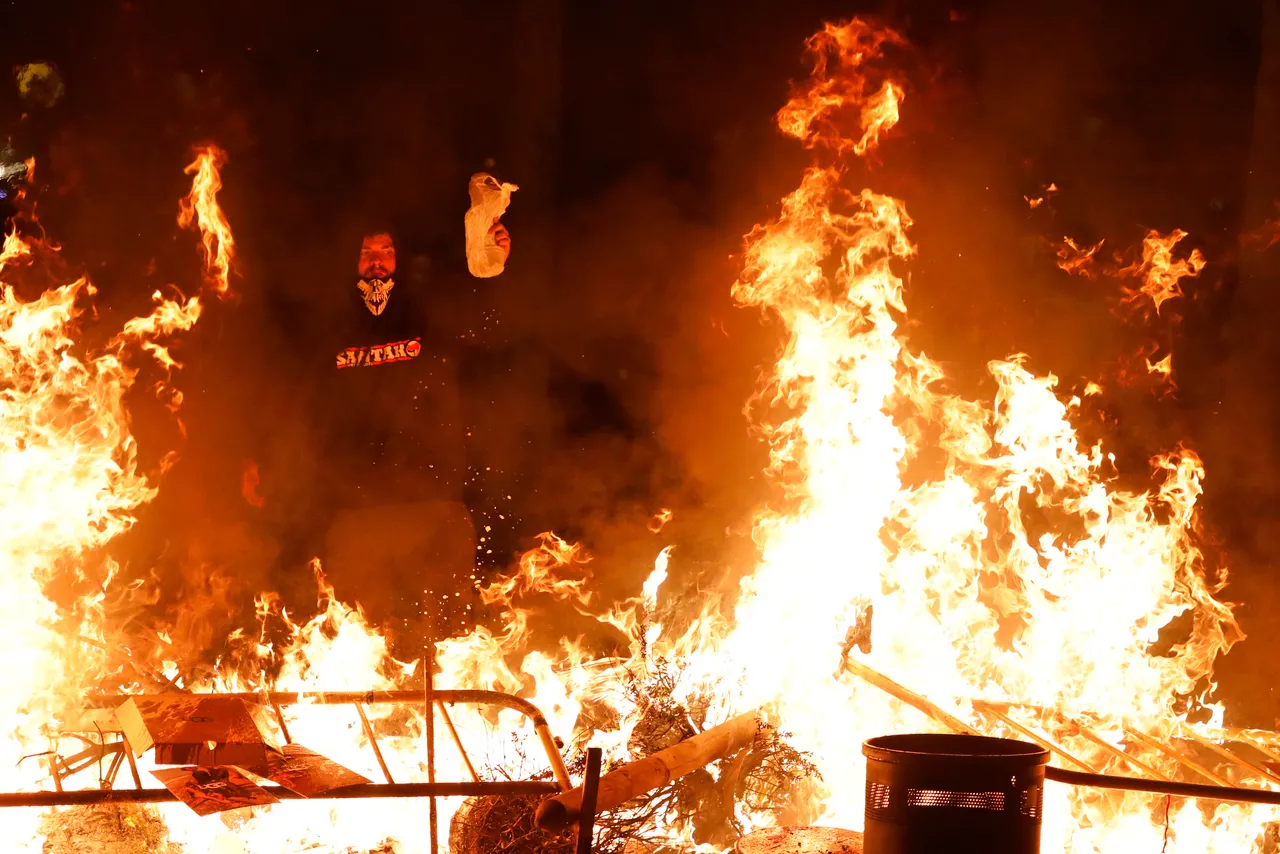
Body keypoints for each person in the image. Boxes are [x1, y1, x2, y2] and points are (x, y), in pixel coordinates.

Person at [259, 214, 511, 646]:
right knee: (358, 645)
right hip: (358, 519)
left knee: (451, 644)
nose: (377, 262)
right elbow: (292, 398)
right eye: (366, 253)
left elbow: (484, 320)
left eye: (386, 252)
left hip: (435, 511)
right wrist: (261, 458)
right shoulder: (330, 327)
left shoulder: (428, 314)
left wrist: (492, 263)